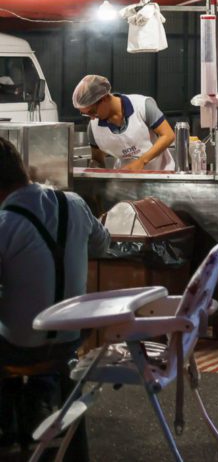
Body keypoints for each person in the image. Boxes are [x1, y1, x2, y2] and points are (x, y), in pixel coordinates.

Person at [1, 137, 109, 460]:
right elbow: (102, 246)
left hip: (22, 345)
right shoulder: (74, 204)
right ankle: (38, 404)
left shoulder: (5, 225)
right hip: (71, 339)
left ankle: (8, 430)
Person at [73, 75, 176, 172]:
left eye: (92, 111)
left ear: (104, 98)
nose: (92, 117)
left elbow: (168, 135)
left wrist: (141, 162)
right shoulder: (93, 128)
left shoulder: (142, 106)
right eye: (85, 114)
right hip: (126, 180)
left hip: (160, 173)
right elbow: (97, 160)